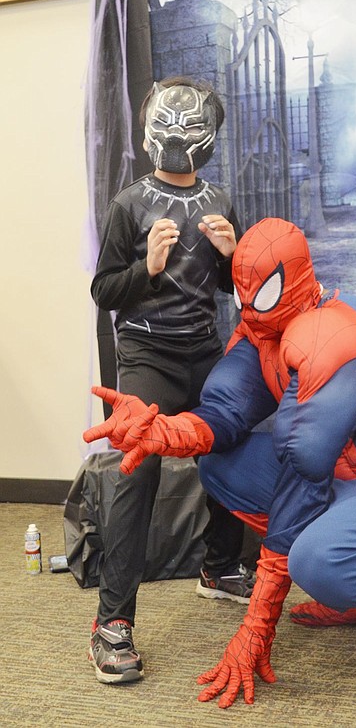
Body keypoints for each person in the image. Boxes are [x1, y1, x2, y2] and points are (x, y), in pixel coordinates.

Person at [84, 217, 356, 706]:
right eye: (244, 295)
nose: (251, 309)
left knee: (319, 560)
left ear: (293, 277)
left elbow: (304, 466)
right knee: (221, 465)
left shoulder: (334, 332)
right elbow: (224, 414)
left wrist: (257, 627)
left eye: (264, 293)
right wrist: (161, 430)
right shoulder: (264, 329)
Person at [86, 76, 255, 685]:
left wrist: (235, 256)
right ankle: (113, 623)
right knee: (138, 465)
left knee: (236, 440)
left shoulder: (221, 200)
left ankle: (221, 566)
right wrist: (149, 268)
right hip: (147, 355)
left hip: (205, 351)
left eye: (191, 126)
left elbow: (244, 293)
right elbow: (104, 290)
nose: (180, 136)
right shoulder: (129, 204)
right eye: (171, 124)